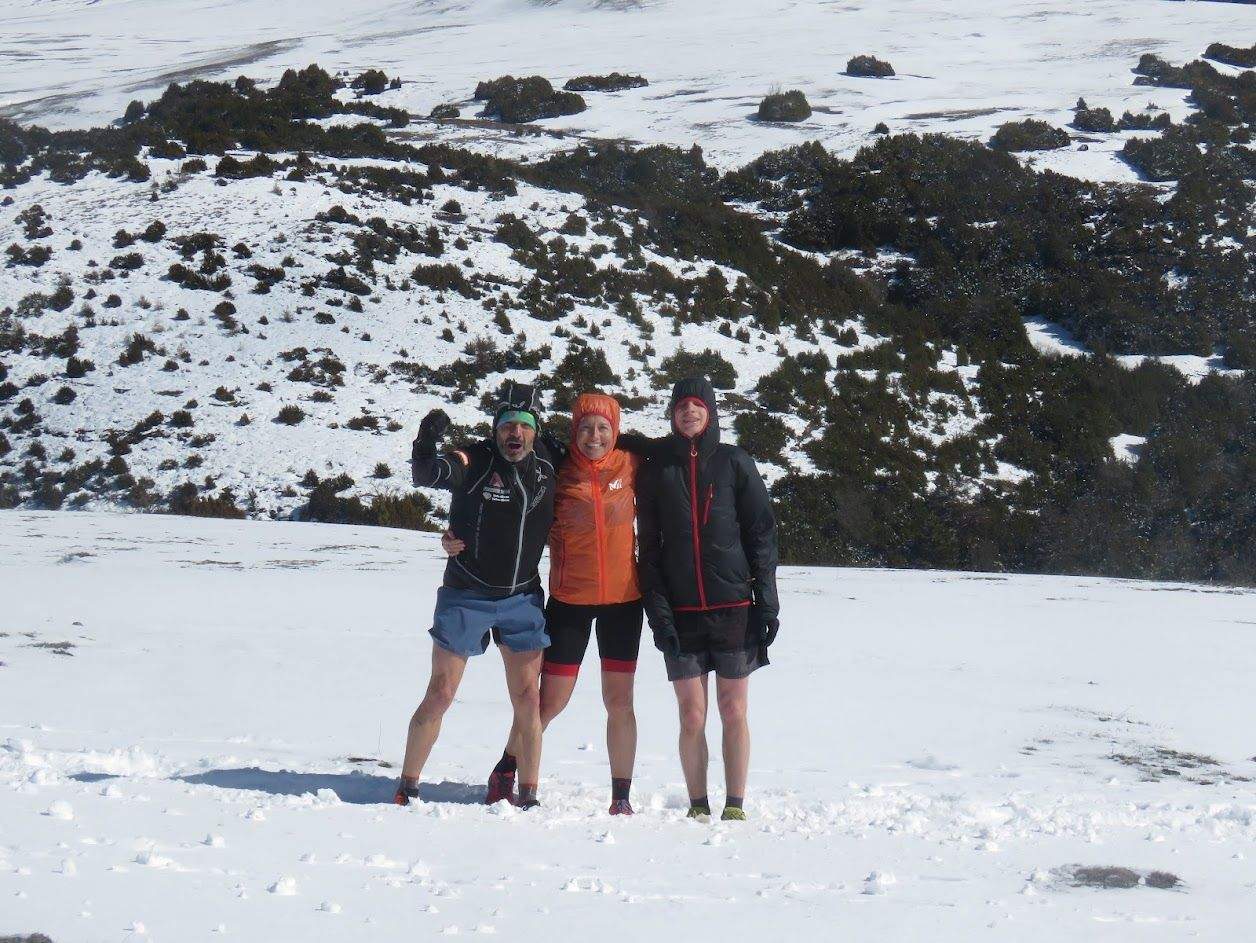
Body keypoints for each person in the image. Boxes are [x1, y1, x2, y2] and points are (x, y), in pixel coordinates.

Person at [445, 393, 647, 814]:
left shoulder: (631, 464)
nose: (594, 436)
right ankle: (507, 766)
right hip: (570, 601)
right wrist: (456, 533)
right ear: (574, 432)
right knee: (549, 702)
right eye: (586, 428)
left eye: (603, 428)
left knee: (620, 702)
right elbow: (501, 498)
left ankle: (621, 798)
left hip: (624, 603)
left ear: (616, 431)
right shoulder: (557, 470)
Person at [394, 381, 556, 810]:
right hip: (466, 593)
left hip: (522, 597)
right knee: (442, 692)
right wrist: (426, 440)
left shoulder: (550, 462)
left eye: (523, 425)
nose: (514, 434)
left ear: (536, 430)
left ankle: (529, 794)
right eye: (506, 425)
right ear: (495, 430)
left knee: (528, 699)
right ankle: (407, 786)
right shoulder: (476, 460)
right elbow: (428, 473)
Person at [636, 377, 780, 822]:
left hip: (734, 608)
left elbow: (761, 531)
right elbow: (651, 549)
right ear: (672, 414)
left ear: (711, 412)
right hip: (681, 613)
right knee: (691, 714)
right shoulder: (659, 468)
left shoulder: (735, 462)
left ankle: (734, 805)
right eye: (682, 406)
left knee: (733, 708)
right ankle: (697, 805)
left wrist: (767, 599)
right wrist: (659, 616)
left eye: (698, 405)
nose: (690, 412)